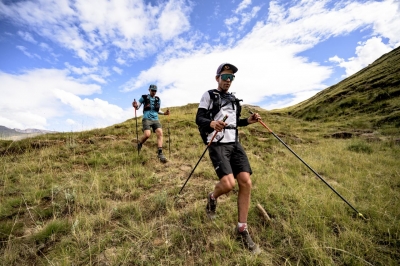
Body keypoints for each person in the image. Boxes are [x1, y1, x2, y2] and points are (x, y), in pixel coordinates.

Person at [195, 63, 261, 252]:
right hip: (217, 143)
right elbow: (199, 118)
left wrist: (249, 121)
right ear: (218, 78)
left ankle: (242, 229)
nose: (228, 81)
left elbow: (236, 123)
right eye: (225, 77)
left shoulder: (233, 99)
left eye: (231, 78)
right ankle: (212, 197)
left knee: (246, 182)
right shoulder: (209, 95)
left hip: (234, 143)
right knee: (228, 184)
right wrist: (212, 123)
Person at [132, 84, 170, 163]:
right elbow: (137, 106)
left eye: (155, 91)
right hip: (146, 118)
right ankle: (139, 144)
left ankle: (160, 153)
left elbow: (158, 110)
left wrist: (164, 113)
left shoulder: (157, 99)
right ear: (149, 90)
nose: (154, 92)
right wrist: (135, 105)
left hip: (155, 119)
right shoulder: (144, 97)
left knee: (160, 133)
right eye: (152, 90)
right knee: (147, 135)